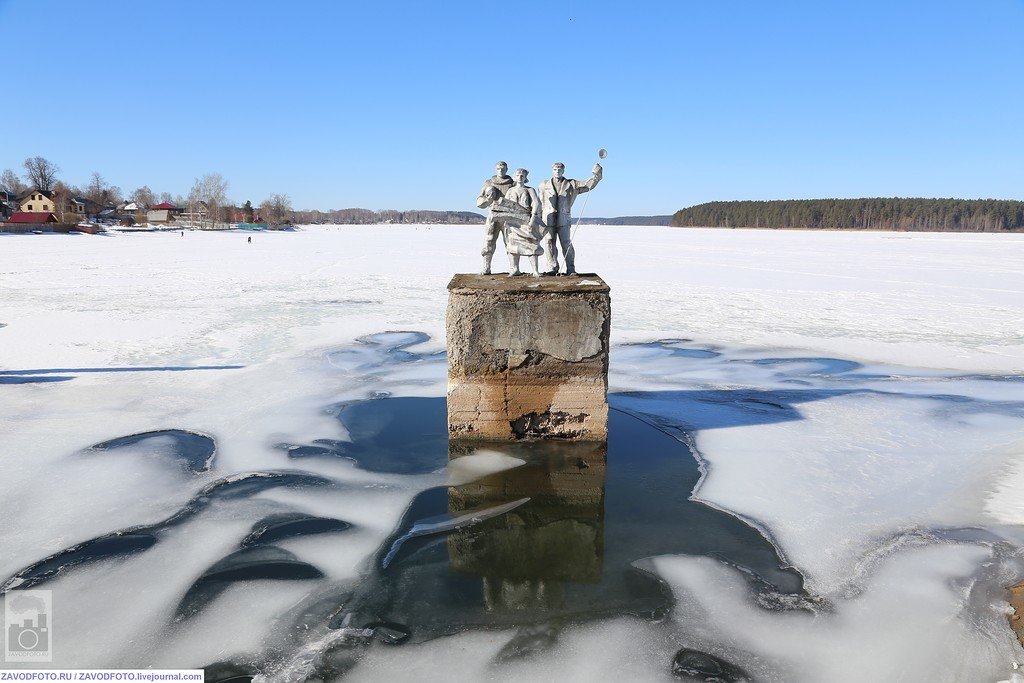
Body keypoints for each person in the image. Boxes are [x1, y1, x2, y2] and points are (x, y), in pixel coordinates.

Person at [538, 162, 602, 275]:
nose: (557, 171)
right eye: (555, 169)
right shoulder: (543, 185)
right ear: (552, 170)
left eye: (559, 169)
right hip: (548, 219)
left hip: (564, 218)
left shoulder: (572, 184)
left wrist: (597, 175)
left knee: (566, 243)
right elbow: (540, 202)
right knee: (549, 242)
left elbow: (588, 185)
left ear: (563, 171)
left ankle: (570, 268)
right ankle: (552, 267)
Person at [501, 168, 543, 276]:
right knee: (512, 244)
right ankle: (515, 269)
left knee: (531, 244)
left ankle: (535, 270)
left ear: (525, 178)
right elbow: (505, 204)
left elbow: (536, 203)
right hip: (513, 221)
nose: (520, 177)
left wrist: (533, 219)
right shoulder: (510, 190)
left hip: (526, 220)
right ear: (514, 177)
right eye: (518, 175)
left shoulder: (530, 190)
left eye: (522, 176)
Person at [475, 161, 514, 274]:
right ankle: (486, 267)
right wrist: (488, 199)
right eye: (498, 168)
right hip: (493, 217)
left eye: (502, 169)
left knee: (511, 242)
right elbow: (479, 201)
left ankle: (513, 268)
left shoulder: (512, 183)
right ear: (495, 169)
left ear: (506, 169)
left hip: (508, 217)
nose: (500, 171)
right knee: (489, 241)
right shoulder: (489, 183)